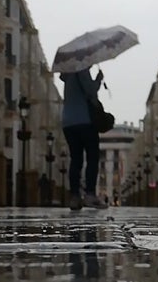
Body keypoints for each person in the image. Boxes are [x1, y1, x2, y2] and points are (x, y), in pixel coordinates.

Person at [60, 67, 108, 210]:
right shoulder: (81, 69)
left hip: (68, 122)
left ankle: (75, 196)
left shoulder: (67, 74)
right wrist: (99, 79)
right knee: (92, 157)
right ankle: (90, 195)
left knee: (76, 159)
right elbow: (90, 91)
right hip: (84, 120)